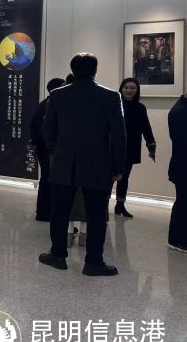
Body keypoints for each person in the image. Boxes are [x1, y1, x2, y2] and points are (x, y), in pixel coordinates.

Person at [39, 53, 126, 276]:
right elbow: (119, 135)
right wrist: (118, 167)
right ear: (95, 70)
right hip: (97, 163)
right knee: (96, 214)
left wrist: (56, 151)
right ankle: (93, 262)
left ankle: (57, 255)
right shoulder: (110, 96)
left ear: (73, 70)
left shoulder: (57, 95)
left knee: (59, 211)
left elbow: (47, 129)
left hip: (63, 162)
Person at [115, 78, 156, 218]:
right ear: (121, 88)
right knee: (110, 177)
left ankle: (120, 205)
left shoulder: (140, 108)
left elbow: (146, 127)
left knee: (125, 177)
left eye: (132, 88)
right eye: (126, 87)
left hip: (131, 146)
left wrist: (151, 146)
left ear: (137, 90)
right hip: (114, 147)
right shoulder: (115, 105)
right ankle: (103, 206)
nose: (129, 90)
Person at [30, 78, 67, 221]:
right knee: (48, 179)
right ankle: (44, 212)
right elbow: (40, 128)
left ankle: (46, 211)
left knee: (48, 179)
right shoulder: (48, 105)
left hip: (46, 147)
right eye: (64, 86)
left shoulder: (49, 103)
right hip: (47, 148)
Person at [167, 91, 187, 253]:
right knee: (183, 203)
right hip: (183, 166)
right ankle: (176, 240)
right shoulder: (180, 111)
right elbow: (182, 141)